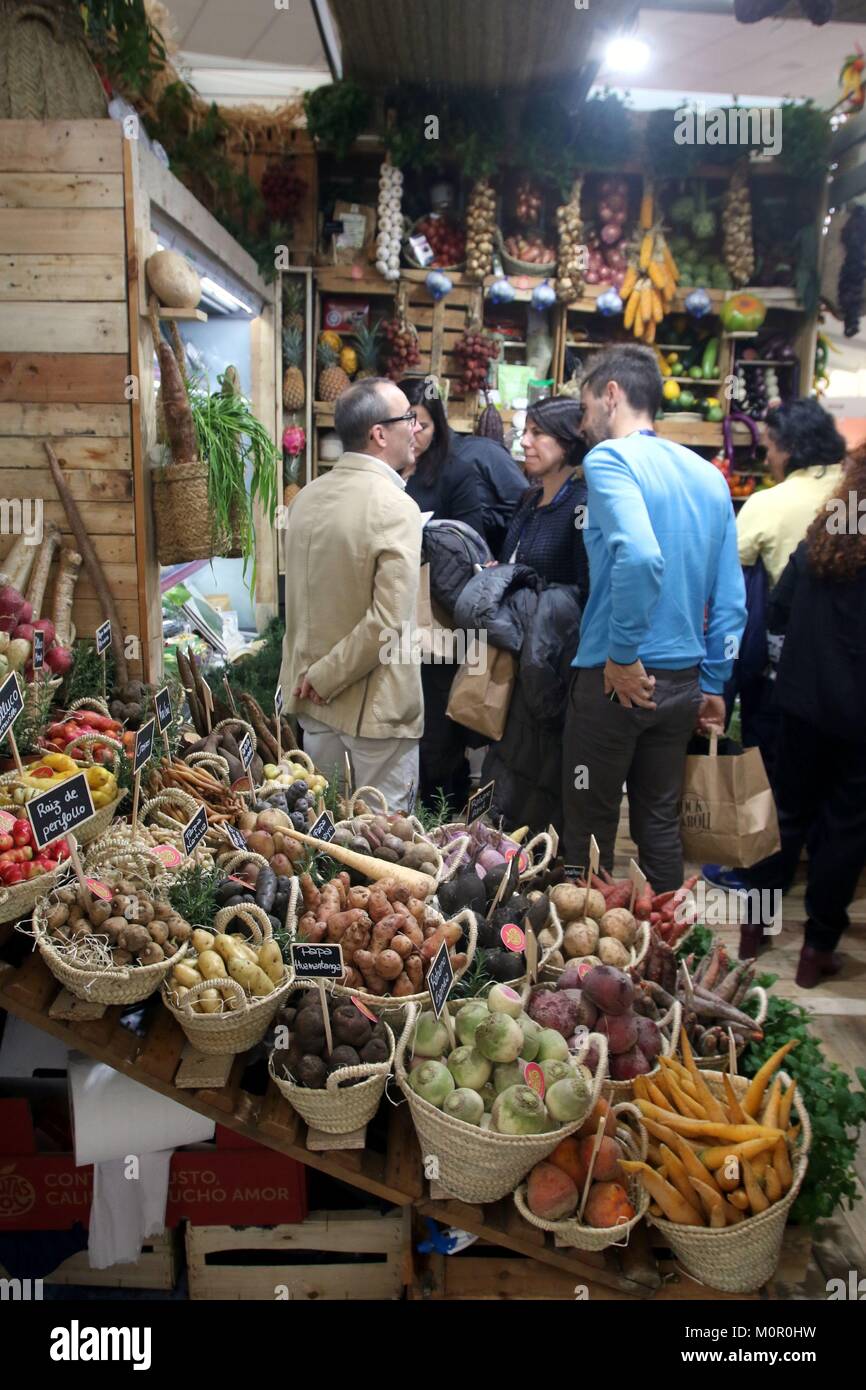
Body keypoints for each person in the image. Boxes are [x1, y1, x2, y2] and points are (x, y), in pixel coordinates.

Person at [561, 345, 747, 892]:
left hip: (614, 682)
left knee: (587, 831)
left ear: (612, 394)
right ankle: (661, 954)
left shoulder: (610, 461)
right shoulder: (710, 477)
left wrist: (621, 655)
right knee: (660, 826)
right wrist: (714, 682)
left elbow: (640, 558)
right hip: (683, 684)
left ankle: (584, 967)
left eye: (587, 404)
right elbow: (732, 600)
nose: (584, 420)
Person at [726, 448, 866, 985]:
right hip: (858, 718)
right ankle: (817, 949)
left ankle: (752, 929)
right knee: (845, 829)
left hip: (801, 704)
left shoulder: (827, 536)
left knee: (785, 814)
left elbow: (779, 609)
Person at [279, 377, 423, 811]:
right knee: (382, 843)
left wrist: (315, 679)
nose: (415, 428)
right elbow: (388, 623)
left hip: (311, 703)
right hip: (372, 713)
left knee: (323, 831)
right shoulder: (397, 507)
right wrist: (328, 677)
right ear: (379, 433)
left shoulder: (305, 498)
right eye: (408, 418)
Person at [464, 397, 589, 830]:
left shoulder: (581, 506)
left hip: (550, 670)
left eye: (539, 433)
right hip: (514, 660)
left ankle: (533, 866)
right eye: (526, 431)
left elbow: (583, 592)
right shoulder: (531, 498)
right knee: (506, 765)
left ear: (570, 441)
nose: (526, 441)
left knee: (535, 773)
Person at [736, 398, 847, 584]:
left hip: (793, 611)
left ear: (789, 448)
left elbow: (730, 571)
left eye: (766, 451)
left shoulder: (766, 504)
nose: (765, 461)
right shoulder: (855, 492)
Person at [398, 377, 485, 534]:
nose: (412, 434)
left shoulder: (457, 474)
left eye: (423, 427)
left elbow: (470, 541)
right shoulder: (378, 467)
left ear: (436, 428)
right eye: (406, 424)